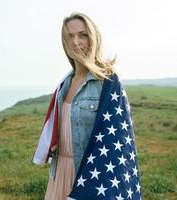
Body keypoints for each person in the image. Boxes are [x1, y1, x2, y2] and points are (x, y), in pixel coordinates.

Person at [32, 12, 142, 200]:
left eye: (82, 35)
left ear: (94, 39)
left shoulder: (107, 83)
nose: (76, 42)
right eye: (70, 36)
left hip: (88, 178)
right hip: (58, 175)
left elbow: (119, 143)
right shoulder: (64, 84)